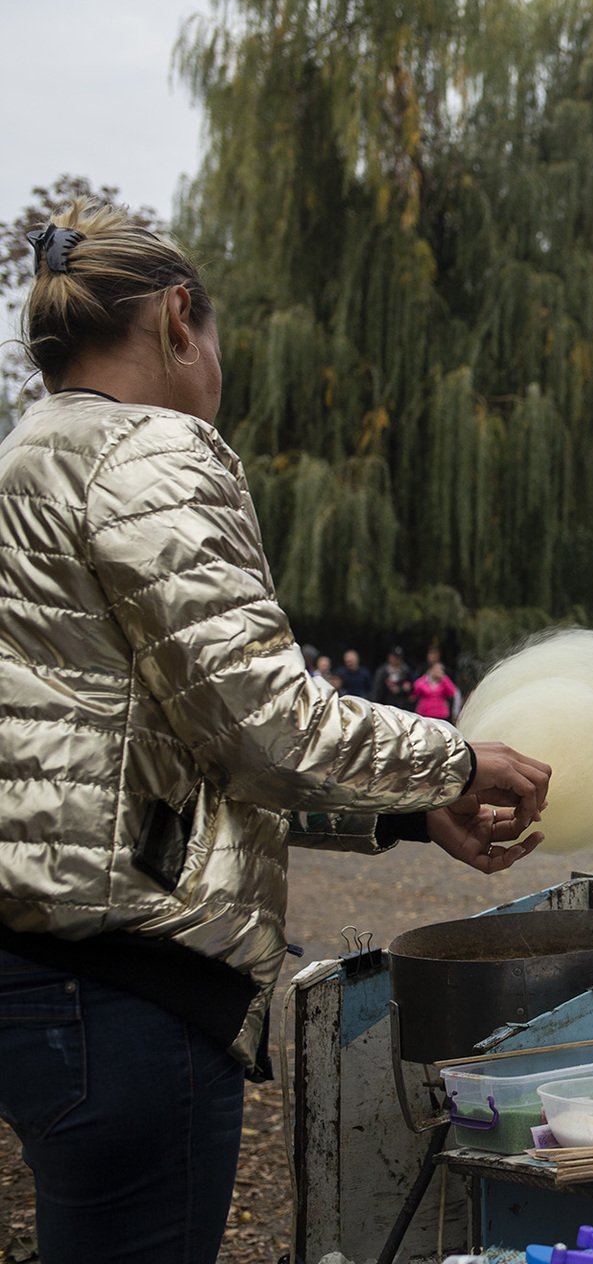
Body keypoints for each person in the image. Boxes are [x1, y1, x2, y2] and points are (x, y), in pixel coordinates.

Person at [0, 202, 553, 1264]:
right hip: (132, 991)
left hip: (36, 980)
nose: (217, 373)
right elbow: (267, 726)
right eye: (213, 340)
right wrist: (459, 757)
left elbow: (165, 749)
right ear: (176, 317)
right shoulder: (150, 451)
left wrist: (404, 812)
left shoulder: (26, 461)